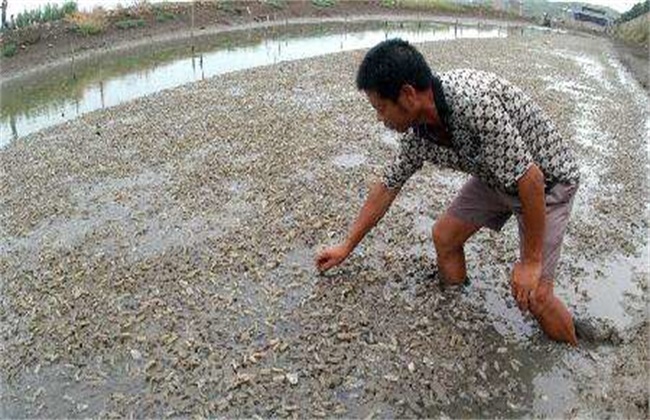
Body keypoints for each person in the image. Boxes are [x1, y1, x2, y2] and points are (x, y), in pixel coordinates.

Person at [315, 39, 580, 345]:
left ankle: (574, 356)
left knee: (537, 295)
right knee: (445, 236)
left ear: (407, 95)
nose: (380, 119)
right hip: (494, 173)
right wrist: (347, 246)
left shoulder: (474, 104)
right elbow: (388, 185)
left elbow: (530, 180)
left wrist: (531, 262)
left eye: (381, 108)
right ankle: (458, 308)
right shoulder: (418, 134)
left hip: (547, 181)